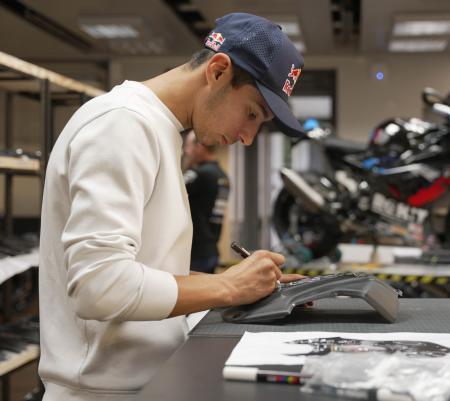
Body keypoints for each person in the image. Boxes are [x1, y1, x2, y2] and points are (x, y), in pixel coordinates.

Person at [38, 13, 306, 401]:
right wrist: (228, 286)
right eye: (251, 113)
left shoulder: (157, 130)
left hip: (143, 382)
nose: (248, 137)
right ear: (217, 71)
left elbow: (149, 270)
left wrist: (254, 287)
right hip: (100, 391)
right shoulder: (122, 125)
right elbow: (99, 287)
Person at [182, 131, 229, 273]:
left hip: (196, 252)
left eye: (189, 146)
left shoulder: (199, 174)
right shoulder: (221, 174)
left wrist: (187, 166)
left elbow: (171, 192)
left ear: (200, 146)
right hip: (211, 249)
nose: (186, 151)